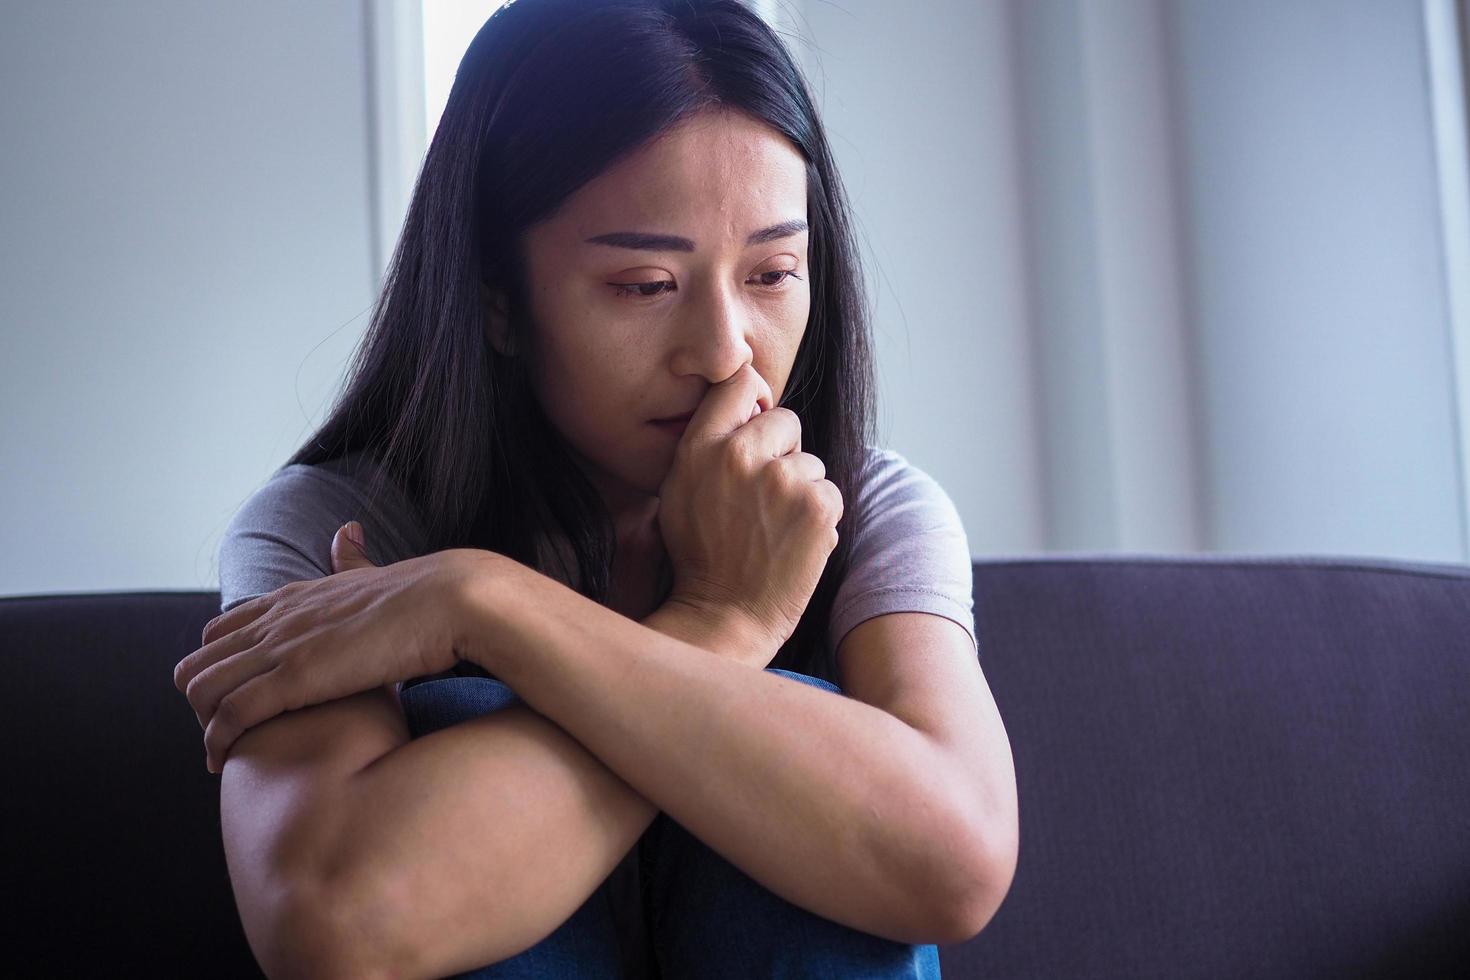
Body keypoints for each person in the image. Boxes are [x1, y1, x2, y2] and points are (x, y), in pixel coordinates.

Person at [173, 0, 1018, 976]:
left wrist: (482, 603)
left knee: (822, 775)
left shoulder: (864, 509)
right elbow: (340, 925)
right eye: (645, 285)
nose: (722, 351)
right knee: (458, 740)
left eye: (774, 272)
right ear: (499, 301)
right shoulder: (333, 527)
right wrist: (720, 625)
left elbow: (953, 863)